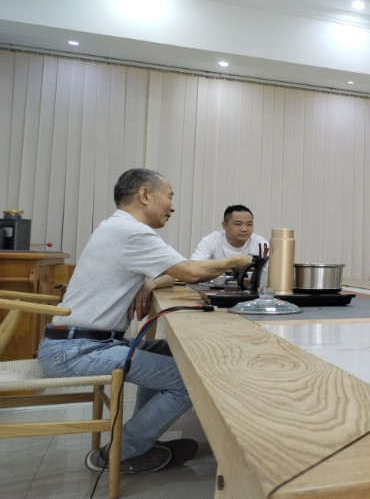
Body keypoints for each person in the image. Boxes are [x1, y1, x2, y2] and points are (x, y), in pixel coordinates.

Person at [37, 168, 254, 474]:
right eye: (169, 196)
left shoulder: (117, 227)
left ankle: (142, 441)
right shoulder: (132, 232)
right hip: (76, 350)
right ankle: (120, 453)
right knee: (189, 378)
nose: (172, 206)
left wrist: (149, 282)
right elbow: (191, 272)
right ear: (144, 195)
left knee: (171, 352)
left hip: (82, 341)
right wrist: (238, 260)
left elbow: (172, 272)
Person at [190, 205, 268, 260]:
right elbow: (194, 267)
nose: (244, 229)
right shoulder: (212, 241)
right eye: (238, 224)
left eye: (249, 224)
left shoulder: (260, 243)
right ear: (224, 225)